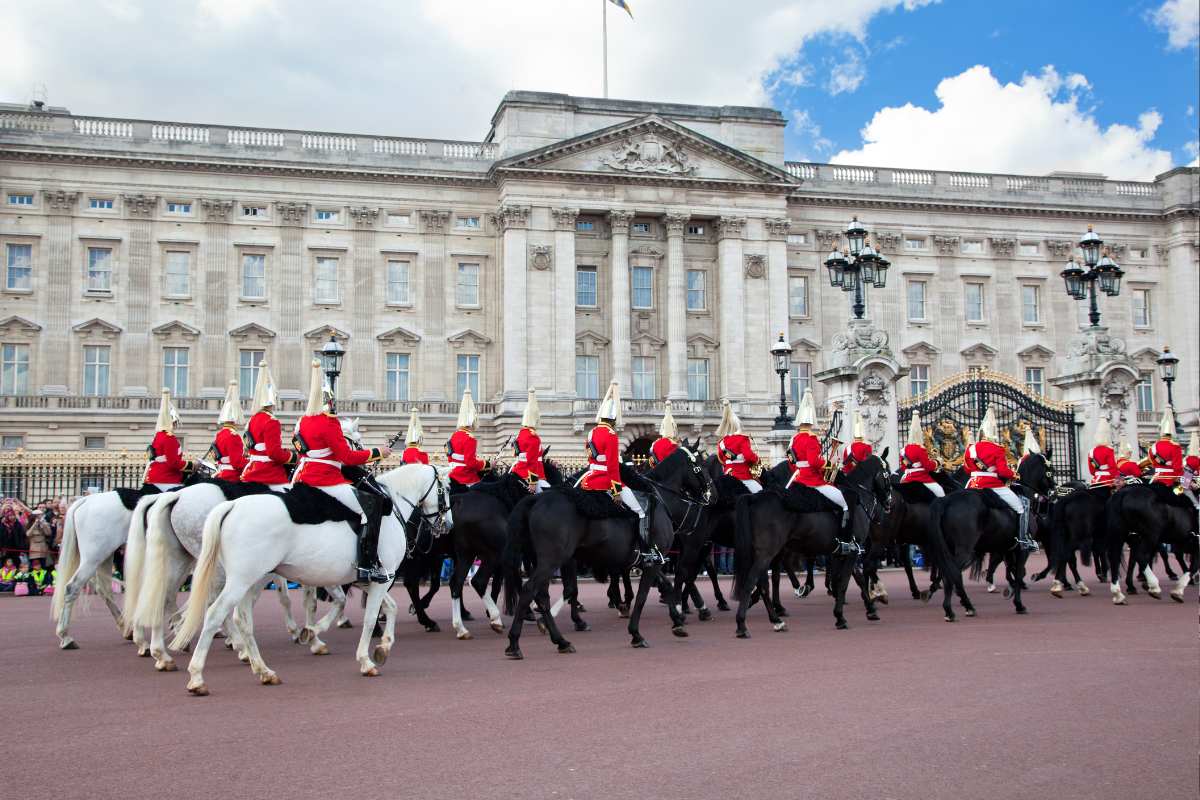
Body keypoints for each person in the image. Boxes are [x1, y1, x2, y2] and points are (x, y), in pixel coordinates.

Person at [293, 359, 391, 584]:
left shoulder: (303, 422)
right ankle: (368, 565)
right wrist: (378, 452)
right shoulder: (329, 423)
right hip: (327, 481)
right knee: (372, 507)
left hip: (302, 479)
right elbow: (346, 457)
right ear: (330, 402)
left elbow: (300, 453)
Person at [581, 382, 658, 563]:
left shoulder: (592, 433)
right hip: (605, 479)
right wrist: (615, 490)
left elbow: (591, 457)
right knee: (640, 510)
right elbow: (613, 466)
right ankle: (646, 551)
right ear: (614, 419)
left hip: (589, 478)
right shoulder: (610, 435)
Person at [785, 388, 851, 545]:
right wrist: (827, 464)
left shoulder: (793, 439)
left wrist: (798, 471)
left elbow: (790, 460)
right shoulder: (811, 438)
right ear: (812, 421)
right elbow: (814, 461)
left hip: (798, 478)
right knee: (844, 503)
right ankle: (844, 539)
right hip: (812, 480)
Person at [964, 406, 1035, 551]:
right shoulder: (997, 449)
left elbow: (967, 468)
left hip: (972, 484)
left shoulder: (971, 448)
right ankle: (1023, 539)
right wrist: (1014, 474)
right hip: (992, 484)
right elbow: (1003, 471)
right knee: (1021, 507)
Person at [240, 360, 295, 491]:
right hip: (268, 473)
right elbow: (274, 453)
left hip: (251, 470)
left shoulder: (253, 419)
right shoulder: (271, 421)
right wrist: (293, 456)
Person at [145, 388, 191, 490]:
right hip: (167, 479)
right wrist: (192, 465)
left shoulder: (159, 435)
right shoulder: (169, 438)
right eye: (174, 423)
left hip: (154, 476)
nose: (175, 425)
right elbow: (173, 463)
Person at [715, 399, 761, 492]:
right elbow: (748, 456)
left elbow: (722, 460)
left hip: (728, 476)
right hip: (743, 476)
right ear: (737, 425)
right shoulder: (742, 439)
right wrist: (756, 458)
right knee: (760, 491)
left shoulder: (721, 443)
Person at [510, 389, 549, 492]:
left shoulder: (521, 433)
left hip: (517, 471)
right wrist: (532, 482)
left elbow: (517, 454)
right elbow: (532, 461)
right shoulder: (533, 436)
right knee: (550, 494)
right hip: (529, 475)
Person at [447, 389, 487, 488]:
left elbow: (450, 457)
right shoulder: (470, 438)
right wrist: (486, 463)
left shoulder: (454, 435)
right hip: (465, 477)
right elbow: (470, 463)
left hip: (452, 475)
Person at [899, 411, 943, 497]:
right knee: (940, 492)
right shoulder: (920, 449)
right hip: (921, 477)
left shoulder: (903, 450)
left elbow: (903, 467)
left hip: (907, 478)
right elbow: (927, 466)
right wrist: (937, 462)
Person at [211, 380, 248, 482]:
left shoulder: (220, 434)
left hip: (221, 473)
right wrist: (250, 462)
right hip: (231, 476)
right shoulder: (233, 436)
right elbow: (236, 462)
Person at [1143, 407, 1182, 487]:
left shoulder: (1153, 447)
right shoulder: (1175, 446)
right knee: (1188, 494)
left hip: (1156, 477)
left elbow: (1153, 462)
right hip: (1170, 479)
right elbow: (1177, 467)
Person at [1086, 417, 1118, 488]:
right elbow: (1113, 467)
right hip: (1108, 480)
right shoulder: (1109, 450)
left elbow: (1092, 471)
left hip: (1095, 480)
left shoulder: (1091, 451)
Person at [841, 409, 873, 474]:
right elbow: (868, 464)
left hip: (849, 477)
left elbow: (845, 464)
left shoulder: (847, 448)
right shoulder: (867, 447)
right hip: (862, 476)